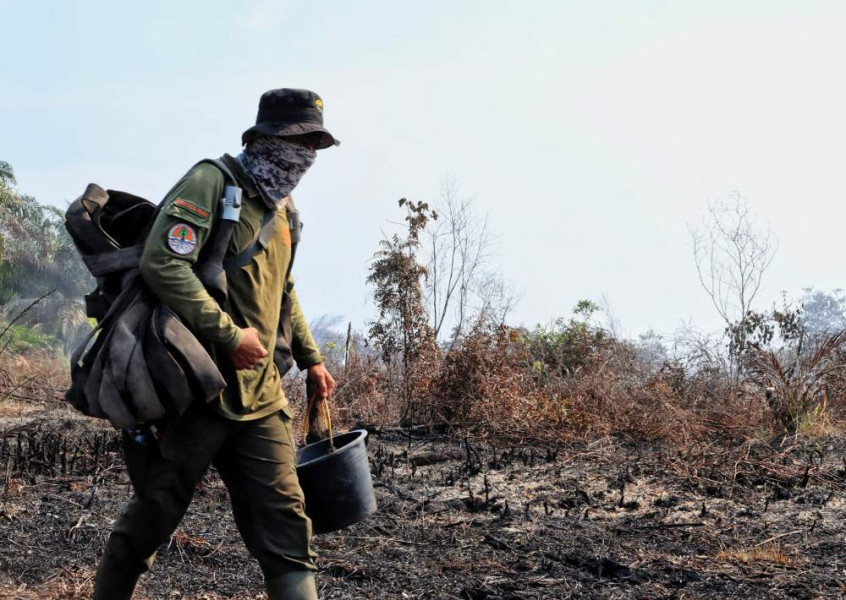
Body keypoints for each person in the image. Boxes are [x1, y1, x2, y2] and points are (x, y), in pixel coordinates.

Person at [92, 88, 339, 600]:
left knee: (287, 524)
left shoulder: (285, 210)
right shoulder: (212, 182)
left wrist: (313, 360)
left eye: (314, 143)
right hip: (196, 389)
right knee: (154, 511)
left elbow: (283, 290)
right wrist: (227, 335)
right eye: (297, 141)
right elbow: (163, 263)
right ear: (263, 138)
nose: (305, 156)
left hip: (261, 396)